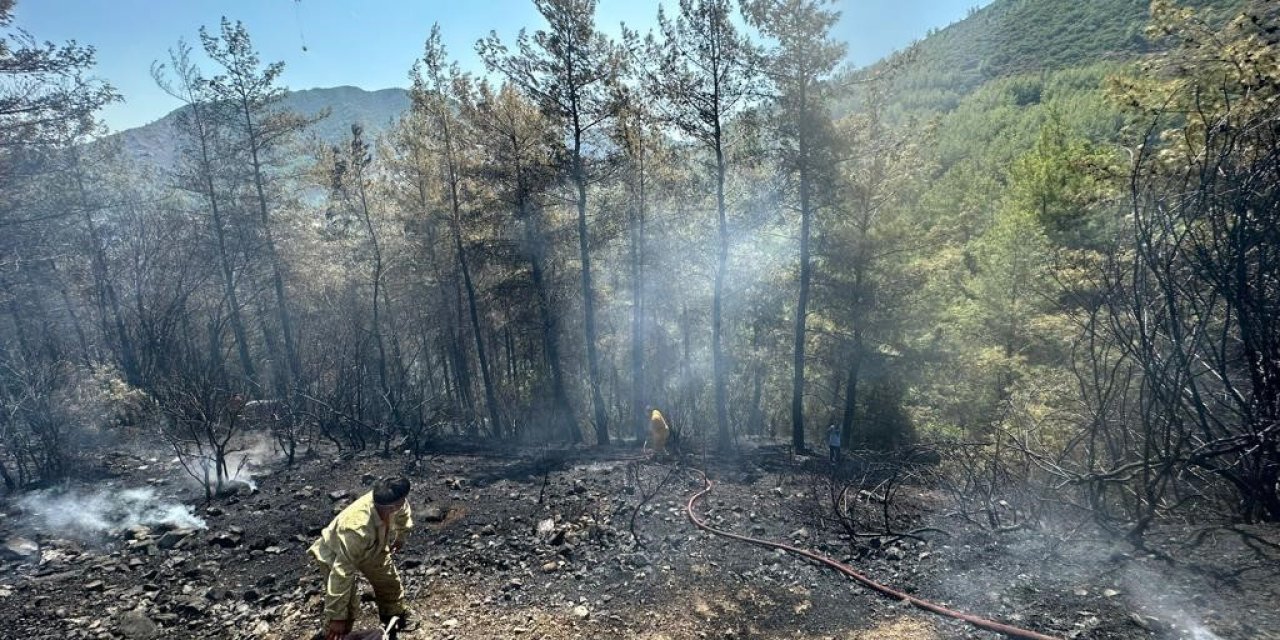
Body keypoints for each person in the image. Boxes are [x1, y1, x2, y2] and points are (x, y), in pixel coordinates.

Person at [309, 476, 416, 640]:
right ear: (391, 507)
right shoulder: (357, 528)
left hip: (372, 545)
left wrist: (401, 536)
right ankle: (328, 635)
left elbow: (403, 513)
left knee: (388, 582)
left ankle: (393, 619)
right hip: (336, 552)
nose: (404, 502)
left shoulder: (393, 501)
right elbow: (341, 572)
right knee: (347, 607)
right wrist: (338, 617)